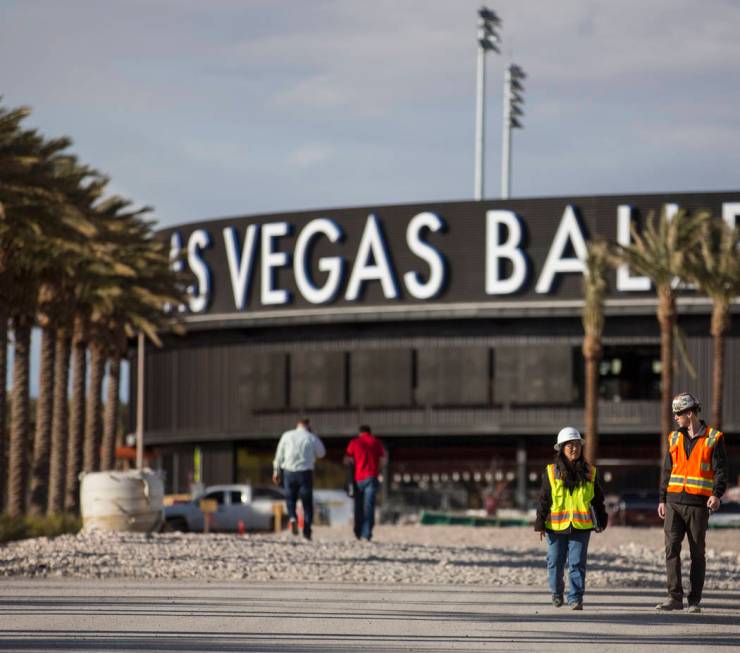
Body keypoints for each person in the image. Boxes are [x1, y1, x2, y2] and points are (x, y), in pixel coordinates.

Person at [655, 392, 728, 613]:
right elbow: (667, 470)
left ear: (689, 413)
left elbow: (721, 470)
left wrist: (716, 493)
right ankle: (674, 597)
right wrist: (662, 498)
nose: (675, 417)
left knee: (697, 553)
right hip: (673, 502)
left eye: (678, 413)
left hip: (698, 504)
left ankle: (694, 600)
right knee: (671, 549)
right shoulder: (674, 438)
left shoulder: (714, 438)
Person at [535, 427, 607, 610]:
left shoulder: (591, 472)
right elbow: (544, 499)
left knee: (577, 563)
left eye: (577, 445)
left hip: (581, 526)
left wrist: (602, 519)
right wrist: (540, 524)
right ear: (561, 448)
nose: (574, 449)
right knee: (555, 561)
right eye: (569, 446)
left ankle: (575, 598)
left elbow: (598, 499)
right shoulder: (551, 472)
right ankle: (557, 593)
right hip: (555, 526)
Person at [272, 418, 326, 541]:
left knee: (290, 499)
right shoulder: (311, 437)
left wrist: (276, 471)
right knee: (307, 503)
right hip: (305, 473)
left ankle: (292, 518)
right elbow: (322, 453)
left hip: (289, 472)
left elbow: (279, 455)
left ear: (297, 424)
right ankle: (307, 531)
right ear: (308, 425)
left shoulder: (286, 435)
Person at [343, 425, 386, 541]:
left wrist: (352, 465)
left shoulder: (354, 442)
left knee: (358, 506)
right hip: (371, 477)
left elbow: (346, 460)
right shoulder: (376, 442)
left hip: (358, 479)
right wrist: (378, 471)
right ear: (370, 432)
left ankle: (357, 531)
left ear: (360, 433)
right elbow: (382, 460)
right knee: (369, 506)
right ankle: (367, 534)